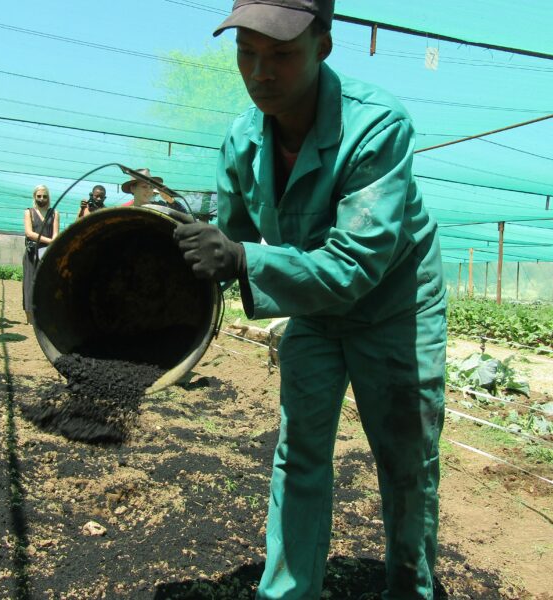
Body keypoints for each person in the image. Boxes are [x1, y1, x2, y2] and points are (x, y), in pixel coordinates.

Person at [173, 2, 447, 598]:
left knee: (407, 462)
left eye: (281, 55)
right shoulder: (243, 140)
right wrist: (189, 261)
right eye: (247, 53)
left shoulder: (377, 126)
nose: (260, 72)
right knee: (299, 454)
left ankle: (410, 588)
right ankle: (289, 591)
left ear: (324, 45)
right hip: (315, 312)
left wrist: (244, 260)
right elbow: (233, 235)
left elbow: (355, 265)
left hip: (395, 307)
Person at [23, 184, 59, 324]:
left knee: (46, 282)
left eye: (44, 196)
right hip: (32, 253)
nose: (42, 199)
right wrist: (49, 240)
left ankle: (45, 314)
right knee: (29, 282)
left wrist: (52, 242)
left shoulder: (54, 213)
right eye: (39, 196)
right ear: (34, 197)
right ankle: (30, 317)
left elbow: (56, 232)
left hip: (47, 253)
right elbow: (29, 233)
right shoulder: (29, 212)